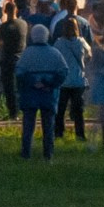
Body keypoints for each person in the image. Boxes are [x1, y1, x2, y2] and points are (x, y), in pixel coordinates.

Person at [14, 23, 66, 160]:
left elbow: (19, 73)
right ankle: (48, 155)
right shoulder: (55, 53)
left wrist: (32, 83)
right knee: (48, 126)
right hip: (49, 94)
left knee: (28, 126)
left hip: (30, 94)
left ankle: (26, 154)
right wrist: (50, 84)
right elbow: (63, 71)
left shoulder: (27, 53)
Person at [52, 15, 91, 142]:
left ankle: (59, 132)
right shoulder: (81, 42)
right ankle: (80, 134)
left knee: (61, 109)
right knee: (78, 111)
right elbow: (89, 55)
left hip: (64, 81)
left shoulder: (59, 43)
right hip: (78, 80)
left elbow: (56, 59)